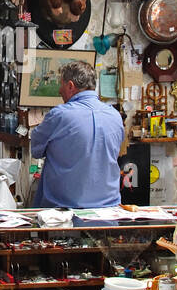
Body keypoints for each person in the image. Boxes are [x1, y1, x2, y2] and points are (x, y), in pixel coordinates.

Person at [30, 59, 124, 209]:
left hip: (64, 210)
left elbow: (36, 150)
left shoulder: (59, 115)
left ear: (70, 86)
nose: (60, 90)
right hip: (109, 208)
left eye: (61, 85)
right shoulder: (115, 116)